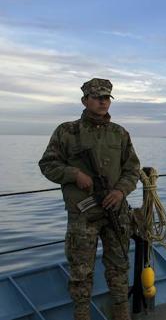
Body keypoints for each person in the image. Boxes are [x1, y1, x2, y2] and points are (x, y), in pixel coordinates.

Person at [39, 78, 140, 320]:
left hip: (115, 211)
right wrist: (73, 174)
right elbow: (48, 164)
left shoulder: (119, 133)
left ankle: (121, 315)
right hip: (83, 215)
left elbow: (132, 169)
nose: (103, 102)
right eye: (98, 97)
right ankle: (82, 316)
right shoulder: (67, 131)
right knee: (81, 273)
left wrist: (120, 191)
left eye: (107, 98)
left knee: (119, 268)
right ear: (85, 100)